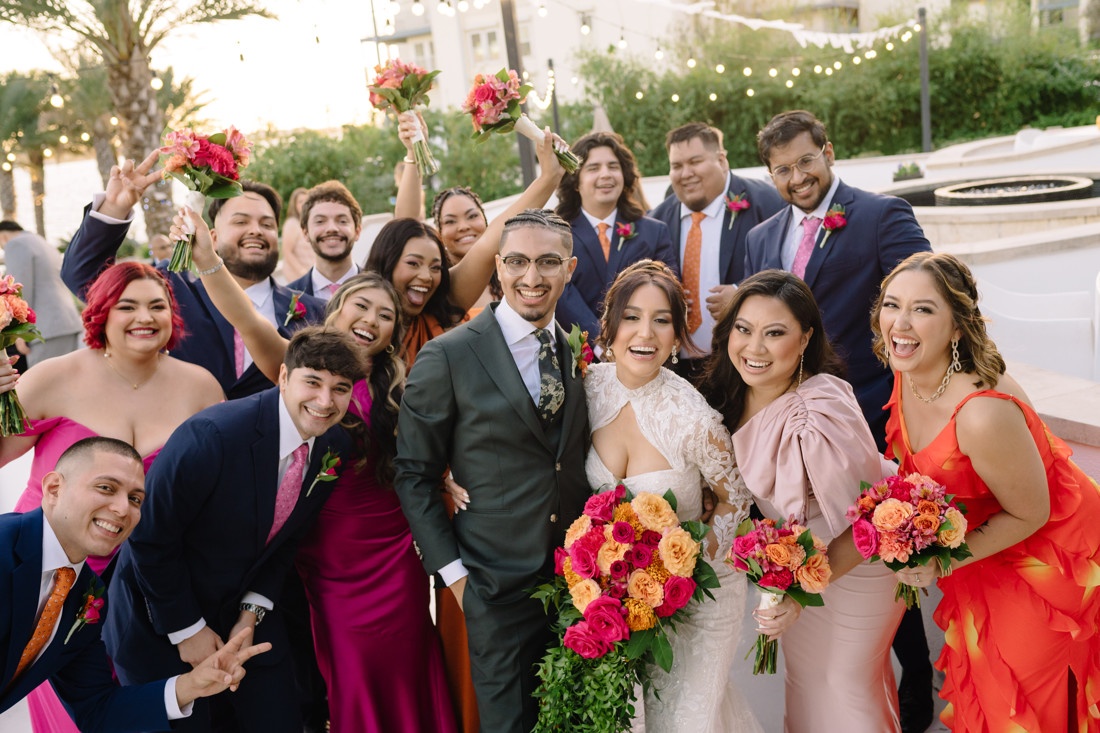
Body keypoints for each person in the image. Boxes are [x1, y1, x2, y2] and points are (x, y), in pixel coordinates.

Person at [174, 204, 456, 732]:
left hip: (394, 553)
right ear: (335, 310)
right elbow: (244, 317)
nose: (370, 320)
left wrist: (447, 475)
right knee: (349, 669)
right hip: (327, 552)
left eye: (385, 315)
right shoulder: (297, 363)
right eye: (360, 307)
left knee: (407, 660)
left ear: (395, 332)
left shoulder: (403, 386)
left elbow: (433, 449)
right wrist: (210, 260)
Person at [743, 110, 934, 730]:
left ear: (828, 150)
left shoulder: (882, 215)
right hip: (789, 436)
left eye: (805, 161)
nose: (796, 176)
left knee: (877, 559)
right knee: (810, 571)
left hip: (867, 423)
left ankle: (914, 689)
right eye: (781, 169)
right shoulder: (760, 236)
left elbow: (927, 302)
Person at [873, 252, 1100, 733]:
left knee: (1025, 706)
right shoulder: (908, 369)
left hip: (1048, 566)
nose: (901, 323)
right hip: (980, 553)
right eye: (892, 305)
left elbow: (1031, 513)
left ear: (957, 327)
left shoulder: (980, 412)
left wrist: (938, 561)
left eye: (924, 309)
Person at [0, 261, 223, 733]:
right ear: (100, 312)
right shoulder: (53, 377)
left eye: (157, 306)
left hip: (148, 585)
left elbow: (215, 499)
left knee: (121, 708)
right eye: (127, 306)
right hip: (47, 571)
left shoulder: (201, 388)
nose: (145, 316)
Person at [102, 328, 362, 733]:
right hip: (161, 614)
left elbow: (286, 541)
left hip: (244, 618)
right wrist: (187, 630)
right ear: (283, 377)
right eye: (313, 382)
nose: (325, 402)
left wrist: (251, 612)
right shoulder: (214, 435)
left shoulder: (334, 446)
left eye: (340, 389)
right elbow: (148, 537)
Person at [394, 209, 590, 733]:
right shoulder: (448, 355)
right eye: (519, 261)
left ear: (569, 268)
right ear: (497, 267)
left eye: (548, 262)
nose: (533, 277)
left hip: (579, 584)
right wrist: (457, 581)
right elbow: (413, 473)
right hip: (491, 588)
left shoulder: (577, 347)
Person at [701, 270, 905, 733]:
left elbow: (866, 524)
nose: (754, 348)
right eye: (744, 329)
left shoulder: (819, 412)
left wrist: (799, 592)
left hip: (855, 566)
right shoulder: (733, 391)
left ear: (805, 337)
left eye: (775, 333)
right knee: (809, 681)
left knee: (844, 684)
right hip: (799, 569)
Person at [582, 260, 759, 732]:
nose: (646, 332)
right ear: (610, 325)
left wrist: (685, 566)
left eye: (662, 320)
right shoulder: (587, 388)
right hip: (620, 604)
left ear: (679, 334)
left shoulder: (693, 418)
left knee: (688, 722)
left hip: (701, 600)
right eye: (632, 317)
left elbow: (734, 502)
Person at [0, 437, 272, 731]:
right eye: (106, 488)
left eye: (135, 499)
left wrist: (190, 686)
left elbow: (96, 709)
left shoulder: (88, 595)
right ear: (54, 488)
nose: (122, 509)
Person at [59, 152, 326, 399]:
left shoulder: (316, 311)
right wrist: (114, 209)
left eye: (266, 224)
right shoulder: (170, 288)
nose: (256, 230)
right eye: (241, 221)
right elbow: (84, 277)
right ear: (212, 237)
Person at [649, 122, 784, 380]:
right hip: (677, 370)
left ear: (721, 160)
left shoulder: (768, 203)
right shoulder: (658, 219)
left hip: (746, 365)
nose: (685, 173)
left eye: (695, 161)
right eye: (676, 166)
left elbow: (788, 272)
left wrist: (740, 296)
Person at [554, 132, 678, 346]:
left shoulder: (654, 232)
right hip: (579, 353)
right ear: (576, 180)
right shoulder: (557, 234)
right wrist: (599, 340)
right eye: (593, 168)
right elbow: (560, 293)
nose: (606, 175)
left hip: (642, 347)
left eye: (613, 167)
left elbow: (669, 291)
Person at [0, 220, 83, 367]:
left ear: (3, 236)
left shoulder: (15, 244)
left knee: (45, 386)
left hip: (45, 329)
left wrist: (18, 332)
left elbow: (19, 291)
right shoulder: (42, 243)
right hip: (67, 323)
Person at [286, 181, 362, 302]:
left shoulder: (382, 289)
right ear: (305, 233)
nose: (332, 228)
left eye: (342, 221)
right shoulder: (286, 299)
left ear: (357, 231)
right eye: (320, 221)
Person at [281, 187, 314, 283]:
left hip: (311, 276)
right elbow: (287, 252)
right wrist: (302, 272)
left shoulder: (310, 223)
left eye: (306, 201)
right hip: (299, 277)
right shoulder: (292, 224)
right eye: (300, 201)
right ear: (294, 205)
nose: (304, 204)